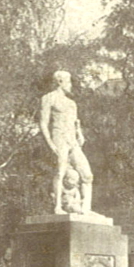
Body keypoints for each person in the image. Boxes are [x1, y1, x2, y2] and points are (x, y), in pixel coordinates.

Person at [39, 70, 93, 215]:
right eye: (68, 82)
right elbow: (43, 123)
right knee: (60, 171)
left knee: (87, 175)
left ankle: (86, 209)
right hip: (59, 136)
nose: (70, 85)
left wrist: (80, 134)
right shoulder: (49, 98)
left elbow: (75, 123)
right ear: (60, 82)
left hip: (72, 140)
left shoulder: (72, 103)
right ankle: (57, 207)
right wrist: (50, 143)